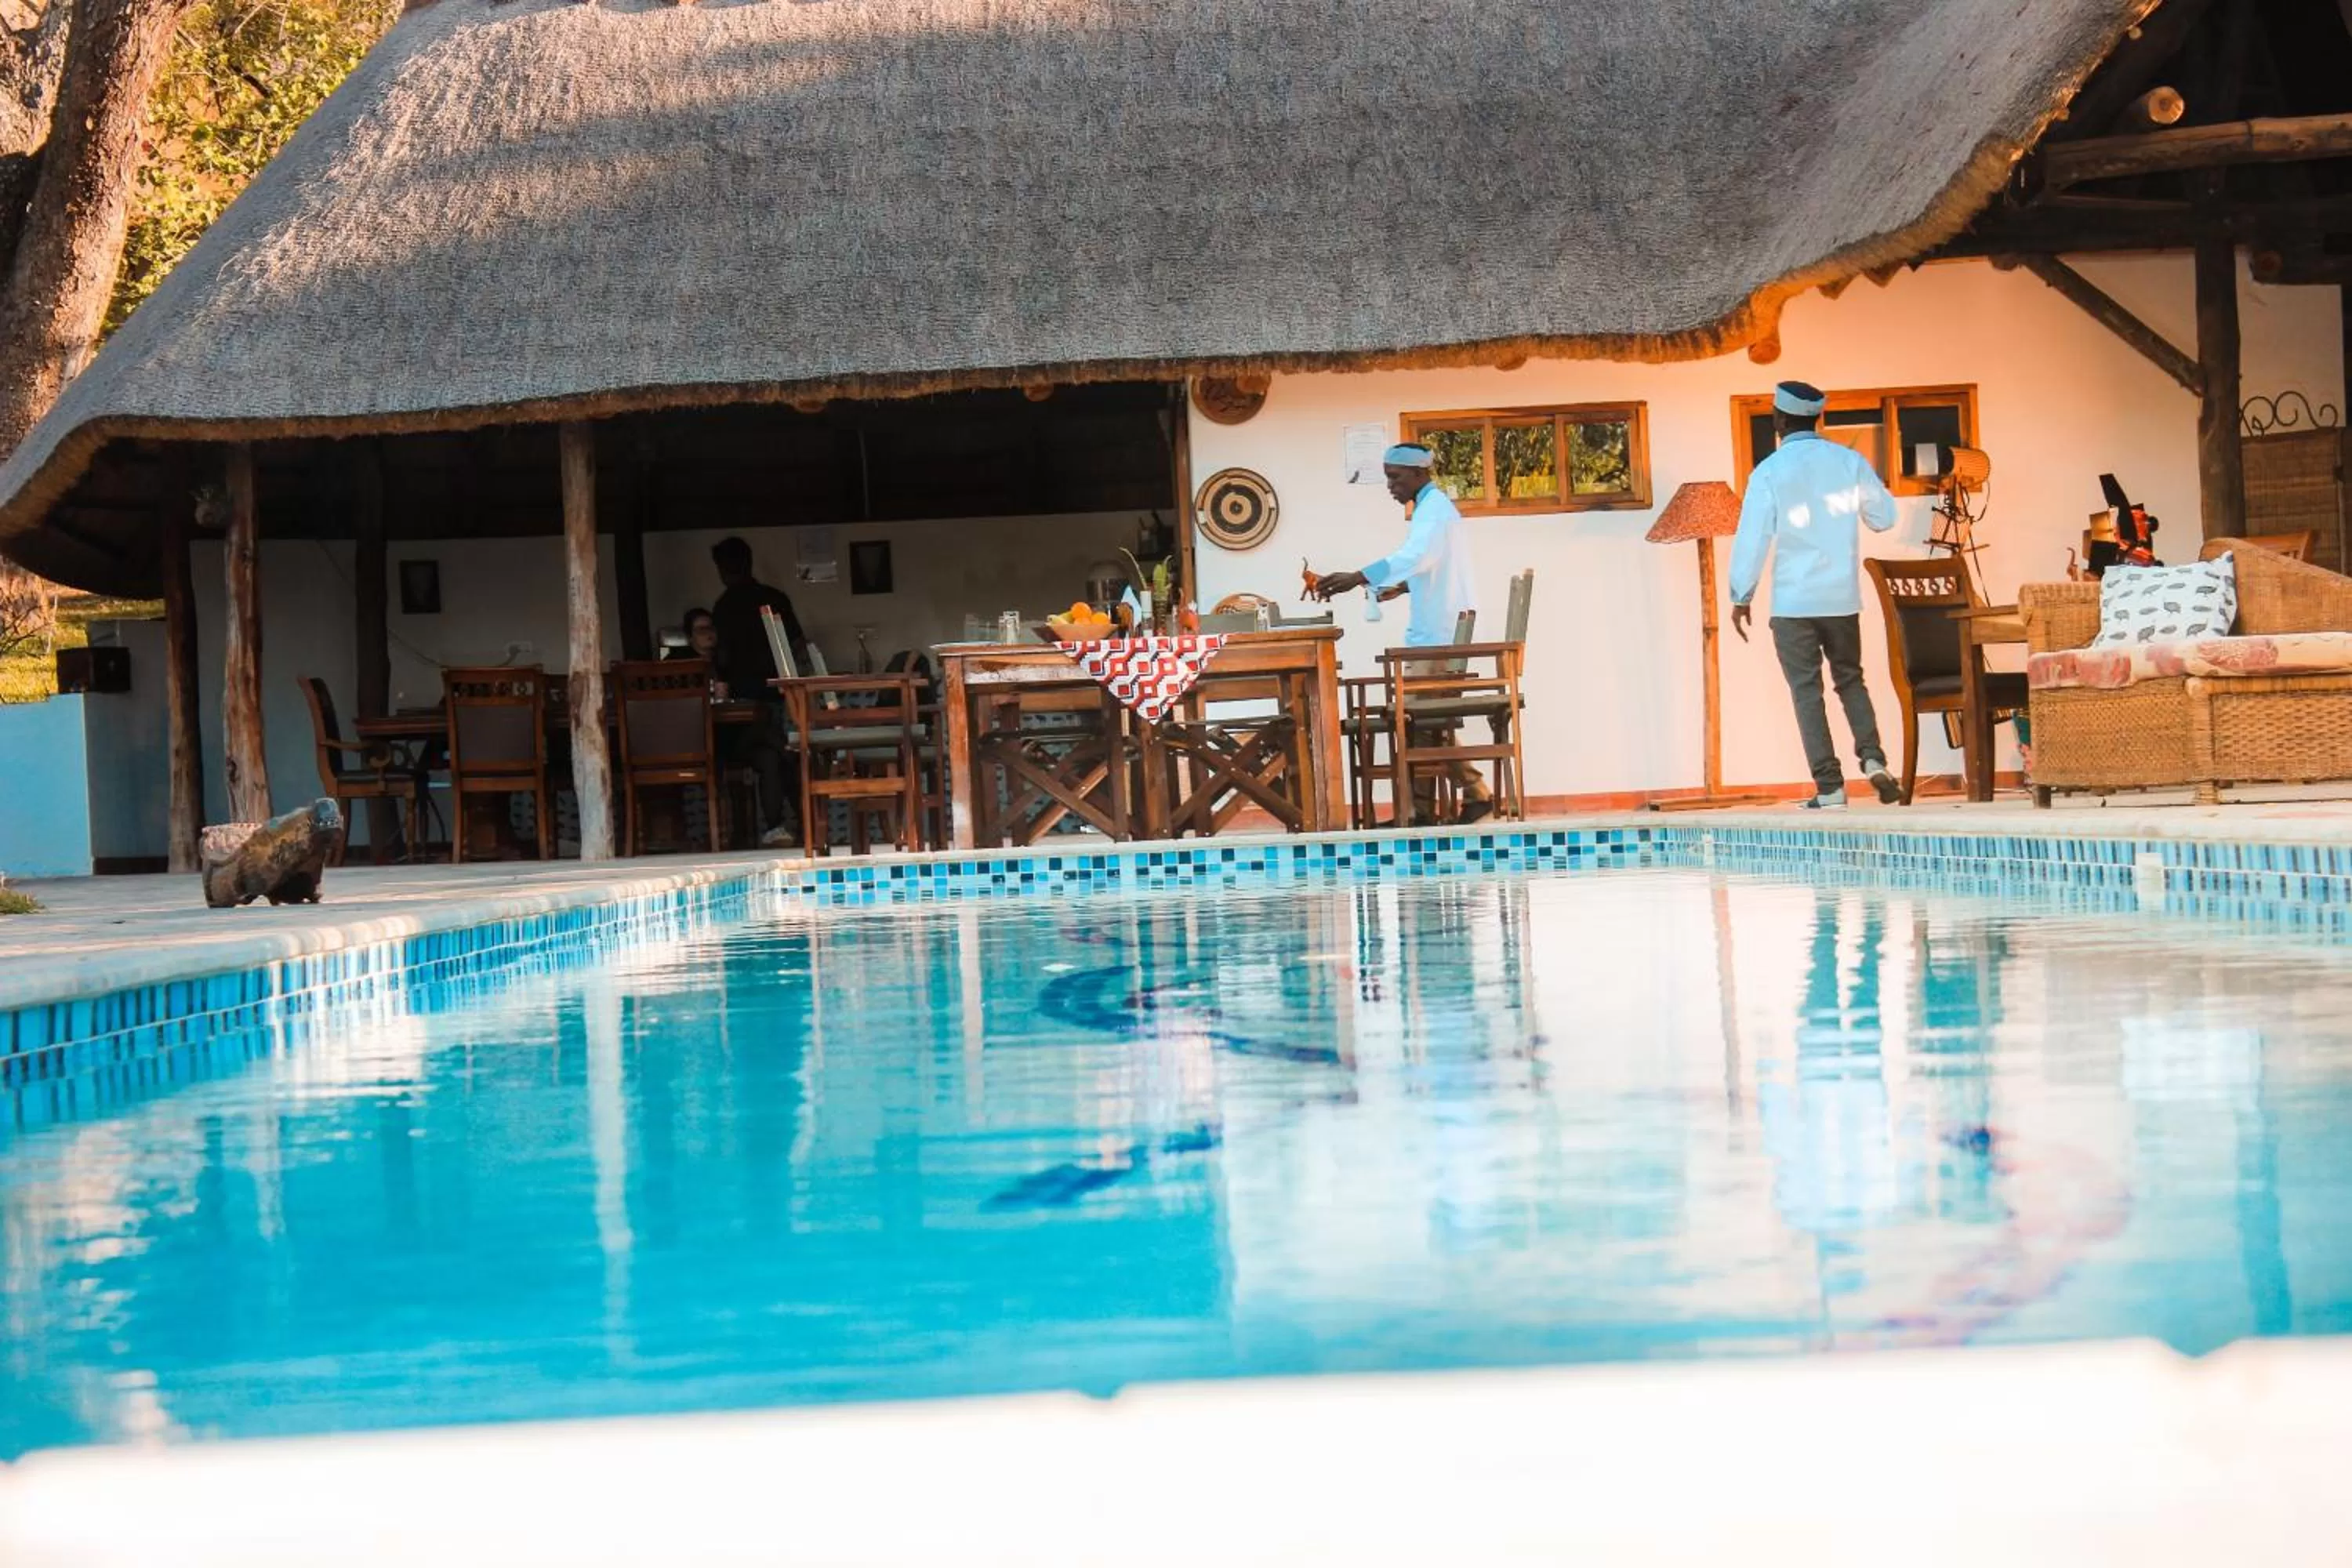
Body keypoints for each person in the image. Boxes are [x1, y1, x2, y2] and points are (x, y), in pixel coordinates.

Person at [1729, 381, 1904, 811]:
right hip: (1841, 600)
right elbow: (1884, 517)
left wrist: (1741, 594)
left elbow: (1754, 538)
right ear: (1817, 418)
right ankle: (1874, 757)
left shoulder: (1769, 472)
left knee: (1807, 692)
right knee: (1851, 680)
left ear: (1779, 420)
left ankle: (1830, 787)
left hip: (1794, 605)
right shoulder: (1849, 462)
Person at [1308, 442, 1493, 824]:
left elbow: (1416, 558)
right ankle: (1455, 800)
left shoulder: (1434, 511)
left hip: (1439, 633)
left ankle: (1436, 807)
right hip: (1439, 627)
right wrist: (1404, 587)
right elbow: (1436, 567)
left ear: (1418, 475)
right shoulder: (1433, 510)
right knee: (1424, 722)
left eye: (1395, 478)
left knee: (1420, 721)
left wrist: (1357, 576)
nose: (1390, 486)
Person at [706, 539, 811, 847]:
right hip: (779, 701)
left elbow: (723, 658)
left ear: (722, 570)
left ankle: (779, 827)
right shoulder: (774, 599)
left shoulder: (724, 607)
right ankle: (803, 823)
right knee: (782, 752)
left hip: (744, 710)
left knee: (771, 754)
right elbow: (798, 646)